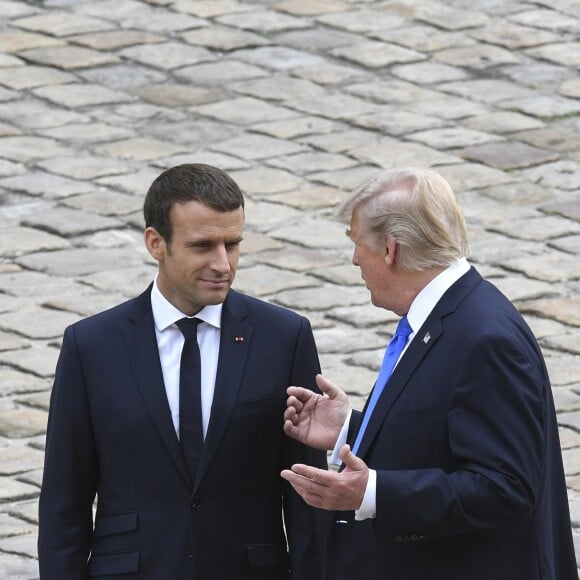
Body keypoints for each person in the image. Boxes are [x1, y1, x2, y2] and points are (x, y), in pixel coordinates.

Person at [281, 167, 578, 580]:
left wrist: (371, 492)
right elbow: (441, 435)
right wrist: (352, 429)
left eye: (356, 243)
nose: (353, 259)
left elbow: (505, 487)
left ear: (390, 249)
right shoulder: (440, 317)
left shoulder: (485, 340)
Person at [38, 163, 327, 579]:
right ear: (156, 243)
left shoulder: (284, 338)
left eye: (233, 244)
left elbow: (307, 494)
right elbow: (65, 500)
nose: (223, 264)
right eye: (203, 246)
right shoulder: (93, 346)